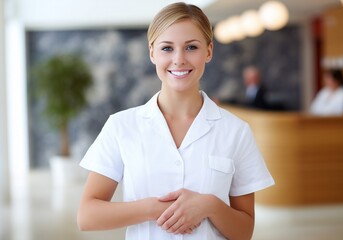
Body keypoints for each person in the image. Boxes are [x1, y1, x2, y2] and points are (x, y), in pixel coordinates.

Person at [77, 2, 274, 240]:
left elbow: (244, 232)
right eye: (167, 48)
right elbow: (87, 216)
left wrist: (210, 205)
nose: (179, 59)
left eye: (191, 47)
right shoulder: (122, 126)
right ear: (152, 53)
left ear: (209, 51)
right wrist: (154, 209)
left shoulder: (236, 131)